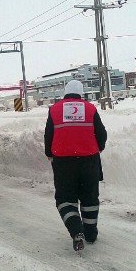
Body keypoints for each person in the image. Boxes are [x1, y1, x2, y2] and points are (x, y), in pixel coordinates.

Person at [44, 80, 107, 252]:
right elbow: (102, 134)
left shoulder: (55, 109)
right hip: (89, 161)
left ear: (65, 93)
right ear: (81, 93)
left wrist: (49, 153)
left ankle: (76, 232)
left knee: (65, 199)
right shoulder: (90, 108)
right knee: (89, 198)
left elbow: (48, 134)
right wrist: (97, 149)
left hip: (63, 163)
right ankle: (91, 234)